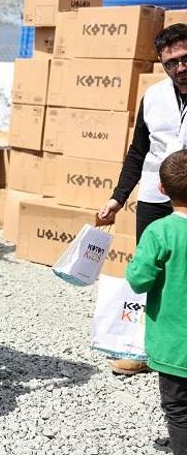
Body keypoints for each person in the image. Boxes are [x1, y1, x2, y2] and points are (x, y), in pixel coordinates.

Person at [98, 23, 187, 376]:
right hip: (155, 195)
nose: (180, 67)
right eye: (171, 63)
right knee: (149, 272)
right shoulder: (153, 97)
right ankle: (143, 350)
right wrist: (118, 198)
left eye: (185, 58)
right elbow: (137, 152)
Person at [125, 150, 187, 455]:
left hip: (175, 346)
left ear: (162, 189)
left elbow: (139, 280)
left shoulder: (160, 231)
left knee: (177, 409)